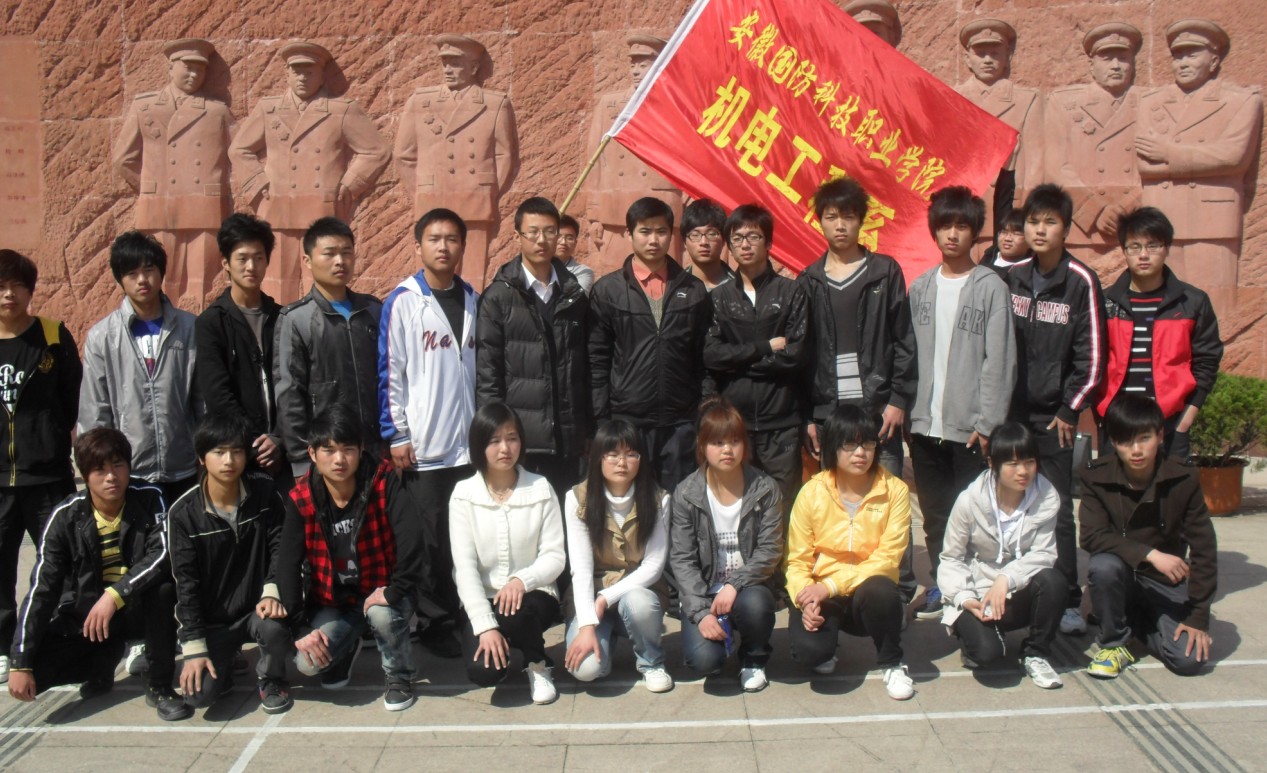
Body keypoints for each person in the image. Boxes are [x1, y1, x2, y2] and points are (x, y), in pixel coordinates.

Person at [8, 428, 189, 721]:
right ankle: (100, 664)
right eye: (99, 470)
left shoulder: (150, 497)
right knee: (33, 675)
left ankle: (159, 685)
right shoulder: (65, 516)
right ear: (85, 475)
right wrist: (20, 661)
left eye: (118, 465)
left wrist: (115, 595)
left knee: (163, 590)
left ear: (129, 466)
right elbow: (41, 589)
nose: (111, 477)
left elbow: (162, 555)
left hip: (137, 608)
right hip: (89, 617)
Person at [797, 177, 918, 608]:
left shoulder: (884, 271)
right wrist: (810, 415)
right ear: (820, 222)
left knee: (888, 496)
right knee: (835, 502)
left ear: (862, 222)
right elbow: (803, 354)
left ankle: (899, 592)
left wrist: (898, 400)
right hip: (831, 412)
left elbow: (904, 341)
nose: (840, 225)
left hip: (877, 410)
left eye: (848, 217)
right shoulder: (809, 280)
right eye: (831, 217)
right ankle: (838, 589)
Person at [908, 187, 1016, 621]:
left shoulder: (991, 288)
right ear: (934, 231)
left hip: (970, 428)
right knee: (934, 514)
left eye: (962, 226)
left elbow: (1000, 361)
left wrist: (988, 423)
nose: (952, 234)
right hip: (923, 425)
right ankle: (942, 584)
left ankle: (973, 588)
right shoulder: (920, 287)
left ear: (975, 233)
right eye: (945, 225)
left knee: (971, 514)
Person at [1004, 183, 1106, 637]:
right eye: (1033, 221)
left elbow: (1093, 358)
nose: (1039, 230)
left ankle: (1065, 597)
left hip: (1054, 419)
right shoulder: (1012, 277)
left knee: (1057, 508)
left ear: (1066, 229)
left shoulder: (1080, 281)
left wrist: (1070, 409)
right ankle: (1016, 588)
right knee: (1010, 504)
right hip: (1011, 414)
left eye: (1050, 222)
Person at [276, 406, 425, 712]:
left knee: (382, 615)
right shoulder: (301, 497)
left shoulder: (382, 480)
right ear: (312, 453)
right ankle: (345, 649)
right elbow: (287, 563)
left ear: (360, 450)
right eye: (329, 450)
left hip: (382, 591)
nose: (339, 459)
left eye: (348, 449)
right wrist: (299, 628)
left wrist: (396, 589)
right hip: (335, 601)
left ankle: (399, 675)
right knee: (307, 663)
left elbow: (412, 538)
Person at [379, 208, 478, 659]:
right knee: (430, 540)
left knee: (465, 538)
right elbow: (390, 371)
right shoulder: (404, 301)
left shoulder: (473, 299)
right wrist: (397, 433)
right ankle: (434, 620)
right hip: (424, 446)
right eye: (435, 239)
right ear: (418, 246)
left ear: (462, 246)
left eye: (452, 239)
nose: (444, 247)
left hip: (468, 446)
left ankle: (467, 614)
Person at [229, 40, 390, 304]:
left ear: (321, 74)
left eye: (309, 71)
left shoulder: (341, 110)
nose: (302, 77)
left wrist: (348, 186)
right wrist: (259, 187)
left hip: (321, 210)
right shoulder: (269, 109)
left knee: (322, 286)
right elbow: (239, 150)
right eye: (297, 71)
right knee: (277, 287)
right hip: (278, 210)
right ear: (287, 73)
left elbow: (377, 151)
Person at [1079, 395, 1217, 678]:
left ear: (1160, 436)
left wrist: (1198, 617)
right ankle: (1114, 644)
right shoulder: (1096, 477)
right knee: (1103, 565)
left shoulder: (1183, 478)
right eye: (1126, 441)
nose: (1136, 450)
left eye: (1144, 438)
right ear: (1113, 442)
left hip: (1163, 582)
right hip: (1120, 576)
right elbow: (1092, 536)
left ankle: (1136, 625)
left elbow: (1204, 549)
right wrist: (1150, 554)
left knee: (1188, 661)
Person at [785, 405, 914, 701]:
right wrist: (805, 599)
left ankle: (892, 663)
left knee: (882, 589)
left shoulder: (895, 490)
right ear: (832, 446)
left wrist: (830, 586)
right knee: (810, 654)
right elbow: (797, 559)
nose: (860, 453)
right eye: (850, 444)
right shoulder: (812, 492)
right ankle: (827, 643)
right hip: (822, 592)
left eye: (868, 443)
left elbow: (887, 559)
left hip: (864, 593)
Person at [167, 413, 294, 714]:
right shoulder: (183, 514)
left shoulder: (264, 492)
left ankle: (272, 679)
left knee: (275, 628)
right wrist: (194, 648)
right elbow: (186, 585)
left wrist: (272, 589)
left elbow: (281, 546)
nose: (229, 461)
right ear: (202, 458)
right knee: (199, 697)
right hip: (215, 620)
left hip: (256, 609)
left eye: (237, 451)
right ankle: (222, 665)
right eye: (219, 452)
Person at [589, 197, 712, 493]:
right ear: (629, 234)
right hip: (628, 421)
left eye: (661, 231)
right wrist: (602, 421)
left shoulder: (693, 290)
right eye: (645, 231)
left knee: (679, 502)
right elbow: (597, 360)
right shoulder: (608, 291)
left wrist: (703, 408)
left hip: (680, 422)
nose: (653, 240)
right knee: (632, 501)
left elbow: (705, 357)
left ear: (671, 234)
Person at [0, 250, 81, 686]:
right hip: (0, 479)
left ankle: (62, 641)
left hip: (48, 475)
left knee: (61, 563)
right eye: (0, 286)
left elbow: (72, 398)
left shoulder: (52, 336)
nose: (8, 294)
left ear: (30, 290)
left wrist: (50, 439)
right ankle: (3, 646)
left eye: (17, 285)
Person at [449, 403, 566, 704]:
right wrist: (485, 626)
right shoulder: (463, 494)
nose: (505, 448)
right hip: (485, 598)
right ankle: (504, 644)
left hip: (534, 595)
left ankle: (538, 663)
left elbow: (555, 556)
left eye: (512, 438)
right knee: (483, 672)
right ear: (479, 445)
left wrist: (521, 580)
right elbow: (465, 569)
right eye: (494, 440)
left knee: (514, 611)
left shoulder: (540, 487)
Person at [477, 197, 590, 498]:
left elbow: (586, 368)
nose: (542, 240)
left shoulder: (574, 295)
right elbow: (488, 373)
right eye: (533, 232)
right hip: (521, 441)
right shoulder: (498, 297)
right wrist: (496, 435)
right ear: (518, 236)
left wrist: (586, 430)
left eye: (550, 231)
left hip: (569, 440)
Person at [938, 422, 1065, 689]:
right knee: (987, 654)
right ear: (992, 463)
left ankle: (1036, 653)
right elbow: (951, 557)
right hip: (977, 590)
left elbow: (1044, 553)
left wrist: (1006, 578)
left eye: (1029, 462)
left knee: (1053, 580)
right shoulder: (969, 501)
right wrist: (965, 598)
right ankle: (974, 636)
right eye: (1013, 464)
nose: (1023, 471)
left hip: (1016, 588)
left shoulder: (1046, 497)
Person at [669, 398, 783, 692]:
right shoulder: (686, 494)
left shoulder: (765, 488)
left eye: (734, 441)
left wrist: (734, 584)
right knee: (704, 661)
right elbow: (682, 559)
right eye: (717, 442)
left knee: (756, 605)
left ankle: (753, 659)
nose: (727, 450)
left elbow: (770, 550)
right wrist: (700, 613)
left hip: (749, 587)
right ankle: (721, 637)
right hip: (705, 591)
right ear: (702, 446)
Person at [79, 230, 199, 507]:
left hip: (184, 466)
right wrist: (101, 467)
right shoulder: (103, 336)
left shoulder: (189, 328)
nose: (142, 280)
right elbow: (95, 410)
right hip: (128, 471)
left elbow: (202, 399)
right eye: (132, 273)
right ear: (120, 279)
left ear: (161, 272)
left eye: (149, 270)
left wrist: (205, 451)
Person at [111, 38, 233, 308]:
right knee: (162, 282)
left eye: (200, 69)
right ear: (170, 67)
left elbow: (238, 154)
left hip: (205, 209)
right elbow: (123, 159)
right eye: (188, 67)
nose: (194, 74)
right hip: (159, 209)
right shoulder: (145, 107)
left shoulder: (217, 111)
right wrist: (151, 188)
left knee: (204, 286)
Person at [704, 203, 808, 513]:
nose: (745, 245)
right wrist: (763, 348)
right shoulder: (719, 298)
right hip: (735, 424)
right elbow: (712, 355)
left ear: (769, 242)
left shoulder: (791, 292)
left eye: (753, 236)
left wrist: (736, 364)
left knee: (783, 505)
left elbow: (795, 355)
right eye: (737, 239)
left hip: (782, 421)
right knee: (736, 504)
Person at [395, 34, 519, 291]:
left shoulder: (494, 104)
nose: (448, 70)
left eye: (456, 64)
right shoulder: (421, 101)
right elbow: (404, 155)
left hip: (475, 200)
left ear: (473, 67)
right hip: (432, 199)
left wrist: (488, 190)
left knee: (473, 281)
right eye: (445, 64)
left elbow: (505, 155)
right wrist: (421, 192)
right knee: (431, 279)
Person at [1097, 207, 1223, 461]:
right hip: (1117, 422)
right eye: (1134, 247)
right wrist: (1102, 414)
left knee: (1171, 486)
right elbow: (1090, 361)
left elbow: (1207, 361)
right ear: (1124, 250)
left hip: (1171, 423)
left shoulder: (1192, 302)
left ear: (1166, 248)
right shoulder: (1105, 302)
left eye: (1152, 246)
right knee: (1113, 487)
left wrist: (1186, 420)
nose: (1143, 255)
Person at [563, 420, 672, 692]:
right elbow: (581, 568)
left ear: (640, 459)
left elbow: (654, 566)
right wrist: (587, 624)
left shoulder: (658, 499)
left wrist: (605, 598)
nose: (622, 462)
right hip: (591, 594)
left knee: (638, 602)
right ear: (598, 457)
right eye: (612, 454)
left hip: (637, 592)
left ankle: (651, 662)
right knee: (585, 669)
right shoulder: (577, 498)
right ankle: (604, 640)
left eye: (631, 454)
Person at [275, 217, 382, 479]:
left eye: (346, 252)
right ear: (308, 261)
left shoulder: (373, 311)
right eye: (330, 253)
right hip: (327, 456)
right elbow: (289, 395)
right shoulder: (297, 319)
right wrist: (302, 461)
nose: (340, 261)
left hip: (374, 451)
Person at [195, 213, 285, 482]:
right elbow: (218, 395)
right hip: (237, 455)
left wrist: (279, 437)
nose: (251, 266)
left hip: (284, 453)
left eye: (259, 257)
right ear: (226, 263)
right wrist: (254, 443)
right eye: (242, 258)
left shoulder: (282, 317)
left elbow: (294, 385)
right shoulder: (212, 322)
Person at [681, 199, 735, 292]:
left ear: (723, 240)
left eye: (711, 234)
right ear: (685, 242)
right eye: (695, 235)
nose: (704, 242)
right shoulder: (674, 289)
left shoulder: (741, 289)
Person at [980, 209, 1029, 277]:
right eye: (1004, 232)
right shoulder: (988, 257)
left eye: (1016, 234)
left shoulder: (1031, 270)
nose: (1007, 238)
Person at [557, 215, 595, 293]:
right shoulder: (537, 267)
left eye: (569, 238)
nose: (563, 242)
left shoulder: (584, 272)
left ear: (575, 243)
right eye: (558, 236)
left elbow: (576, 297)